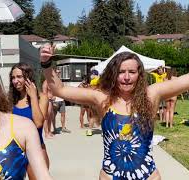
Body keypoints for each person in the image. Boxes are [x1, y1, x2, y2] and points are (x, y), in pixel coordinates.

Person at [40, 43, 189, 179]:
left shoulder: (151, 95)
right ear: (113, 74)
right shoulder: (103, 99)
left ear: (139, 74)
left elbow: (185, 81)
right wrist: (46, 63)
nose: (126, 77)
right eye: (121, 72)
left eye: (132, 72)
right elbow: (60, 89)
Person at [8, 63, 50, 180]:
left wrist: (33, 97)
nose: (15, 81)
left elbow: (38, 123)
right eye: (13, 78)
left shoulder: (42, 98)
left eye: (19, 77)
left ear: (28, 77)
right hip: (15, 151)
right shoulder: (10, 100)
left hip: (36, 150)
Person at [52, 68, 71, 133]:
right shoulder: (52, 80)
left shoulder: (60, 80)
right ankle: (54, 128)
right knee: (54, 115)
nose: (58, 74)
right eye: (57, 72)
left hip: (61, 100)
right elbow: (50, 89)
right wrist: (52, 96)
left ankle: (63, 128)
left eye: (59, 72)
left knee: (63, 114)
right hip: (55, 101)